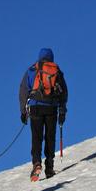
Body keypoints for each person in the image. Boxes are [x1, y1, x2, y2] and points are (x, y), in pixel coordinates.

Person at [19, 48, 68, 181]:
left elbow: (23, 90)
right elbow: (64, 93)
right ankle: (50, 166)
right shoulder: (57, 71)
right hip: (51, 108)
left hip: (35, 107)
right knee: (50, 137)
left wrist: (23, 111)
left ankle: (36, 163)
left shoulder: (32, 70)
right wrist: (62, 110)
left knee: (37, 137)